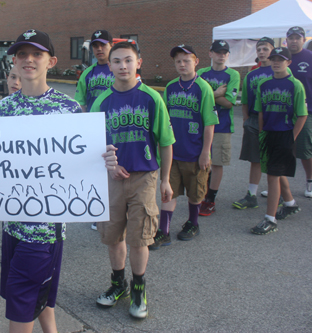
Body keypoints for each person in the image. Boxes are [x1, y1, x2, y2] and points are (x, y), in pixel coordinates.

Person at [0, 29, 118, 333]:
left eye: (36, 54)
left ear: (51, 61)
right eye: (22, 54)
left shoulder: (68, 109)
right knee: (41, 298)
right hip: (11, 224)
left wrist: (104, 160)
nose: (28, 60)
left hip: (44, 232)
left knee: (21, 302)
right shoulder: (1, 110)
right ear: (13, 61)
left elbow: (84, 161)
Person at [90, 42, 175, 319]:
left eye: (128, 60)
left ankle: (139, 287)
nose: (123, 66)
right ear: (110, 65)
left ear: (139, 63)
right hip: (112, 179)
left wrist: (165, 180)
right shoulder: (101, 101)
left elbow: (165, 142)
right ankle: (118, 284)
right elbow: (90, 144)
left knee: (140, 238)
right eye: (117, 61)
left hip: (144, 177)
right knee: (113, 236)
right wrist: (107, 164)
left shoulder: (152, 98)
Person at [150, 45, 218, 249]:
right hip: (174, 152)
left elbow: (209, 123)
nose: (182, 64)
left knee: (196, 193)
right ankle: (164, 230)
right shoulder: (170, 87)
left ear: (196, 62)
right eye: (178, 61)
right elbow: (164, 120)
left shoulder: (203, 88)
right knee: (169, 191)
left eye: (186, 60)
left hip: (196, 152)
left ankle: (193, 223)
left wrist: (206, 152)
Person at [250, 47, 307, 235]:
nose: (276, 62)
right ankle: (289, 203)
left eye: (281, 60)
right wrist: (261, 132)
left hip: (285, 133)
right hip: (268, 133)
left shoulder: (295, 84)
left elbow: (302, 115)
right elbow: (260, 111)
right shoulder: (264, 84)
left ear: (288, 63)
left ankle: (270, 219)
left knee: (272, 175)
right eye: (274, 59)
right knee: (275, 169)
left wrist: (292, 137)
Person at [75, 29, 115, 231]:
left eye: (103, 45)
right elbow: (81, 102)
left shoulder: (118, 68)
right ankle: (98, 212)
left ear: (111, 46)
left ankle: (115, 212)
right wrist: (83, 129)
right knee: (97, 171)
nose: (99, 49)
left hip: (117, 128)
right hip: (95, 131)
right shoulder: (88, 74)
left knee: (116, 171)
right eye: (95, 46)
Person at [197, 40, 240, 216]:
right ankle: (202, 193)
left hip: (222, 125)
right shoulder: (201, 73)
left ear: (228, 55)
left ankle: (211, 199)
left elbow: (229, 103)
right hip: (202, 124)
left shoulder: (233, 74)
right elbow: (196, 98)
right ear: (210, 53)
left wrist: (209, 96)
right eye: (218, 52)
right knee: (202, 161)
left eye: (225, 52)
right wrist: (216, 94)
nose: (221, 55)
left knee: (217, 162)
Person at [232, 37, 276, 209]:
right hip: (253, 120)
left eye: (265, 49)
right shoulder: (251, 74)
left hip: (274, 123)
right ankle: (252, 195)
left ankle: (279, 194)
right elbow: (245, 100)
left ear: (272, 51)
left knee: (274, 159)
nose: (262, 52)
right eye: (259, 49)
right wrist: (246, 120)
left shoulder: (278, 71)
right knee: (255, 159)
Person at [286, 26, 312, 198]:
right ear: (286, 40)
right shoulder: (282, 57)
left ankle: (310, 181)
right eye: (291, 38)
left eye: (298, 38)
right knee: (283, 148)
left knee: (305, 149)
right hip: (282, 112)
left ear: (304, 40)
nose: (294, 41)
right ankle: (280, 184)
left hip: (306, 112)